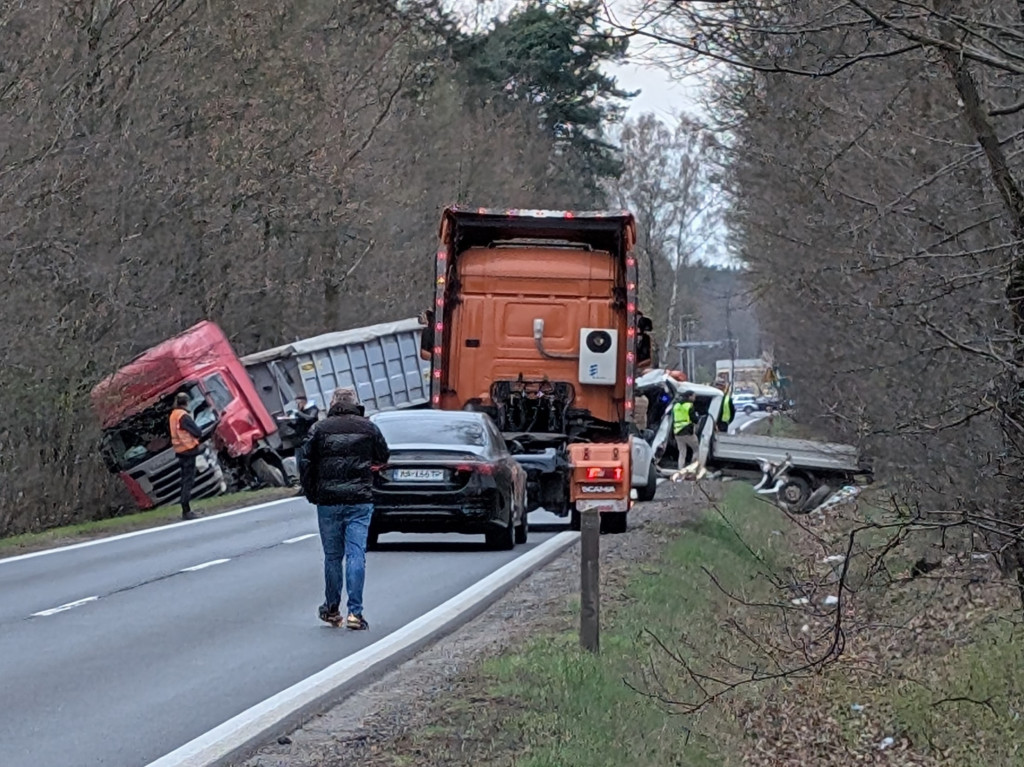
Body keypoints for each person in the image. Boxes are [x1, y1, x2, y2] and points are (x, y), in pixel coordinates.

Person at [296, 387, 390, 630]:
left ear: (333, 404)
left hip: (328, 501)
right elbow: (383, 456)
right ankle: (355, 613)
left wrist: (312, 492)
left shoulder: (319, 429)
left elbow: (304, 462)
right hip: (360, 500)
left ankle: (331, 608)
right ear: (355, 403)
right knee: (356, 553)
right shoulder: (368, 427)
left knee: (333, 556)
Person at [169, 392, 204, 520]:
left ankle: (186, 509)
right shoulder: (183, 416)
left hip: (180, 452)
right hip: (188, 451)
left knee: (185, 480)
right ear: (187, 402)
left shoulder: (173, 415)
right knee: (188, 481)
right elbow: (197, 432)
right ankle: (186, 510)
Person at [672, 390, 698, 470]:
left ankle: (680, 469)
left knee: (682, 452)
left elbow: (673, 417)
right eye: (694, 396)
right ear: (689, 396)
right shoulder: (689, 405)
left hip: (677, 432)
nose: (695, 398)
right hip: (687, 431)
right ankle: (692, 469)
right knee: (696, 449)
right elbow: (694, 419)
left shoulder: (676, 405)